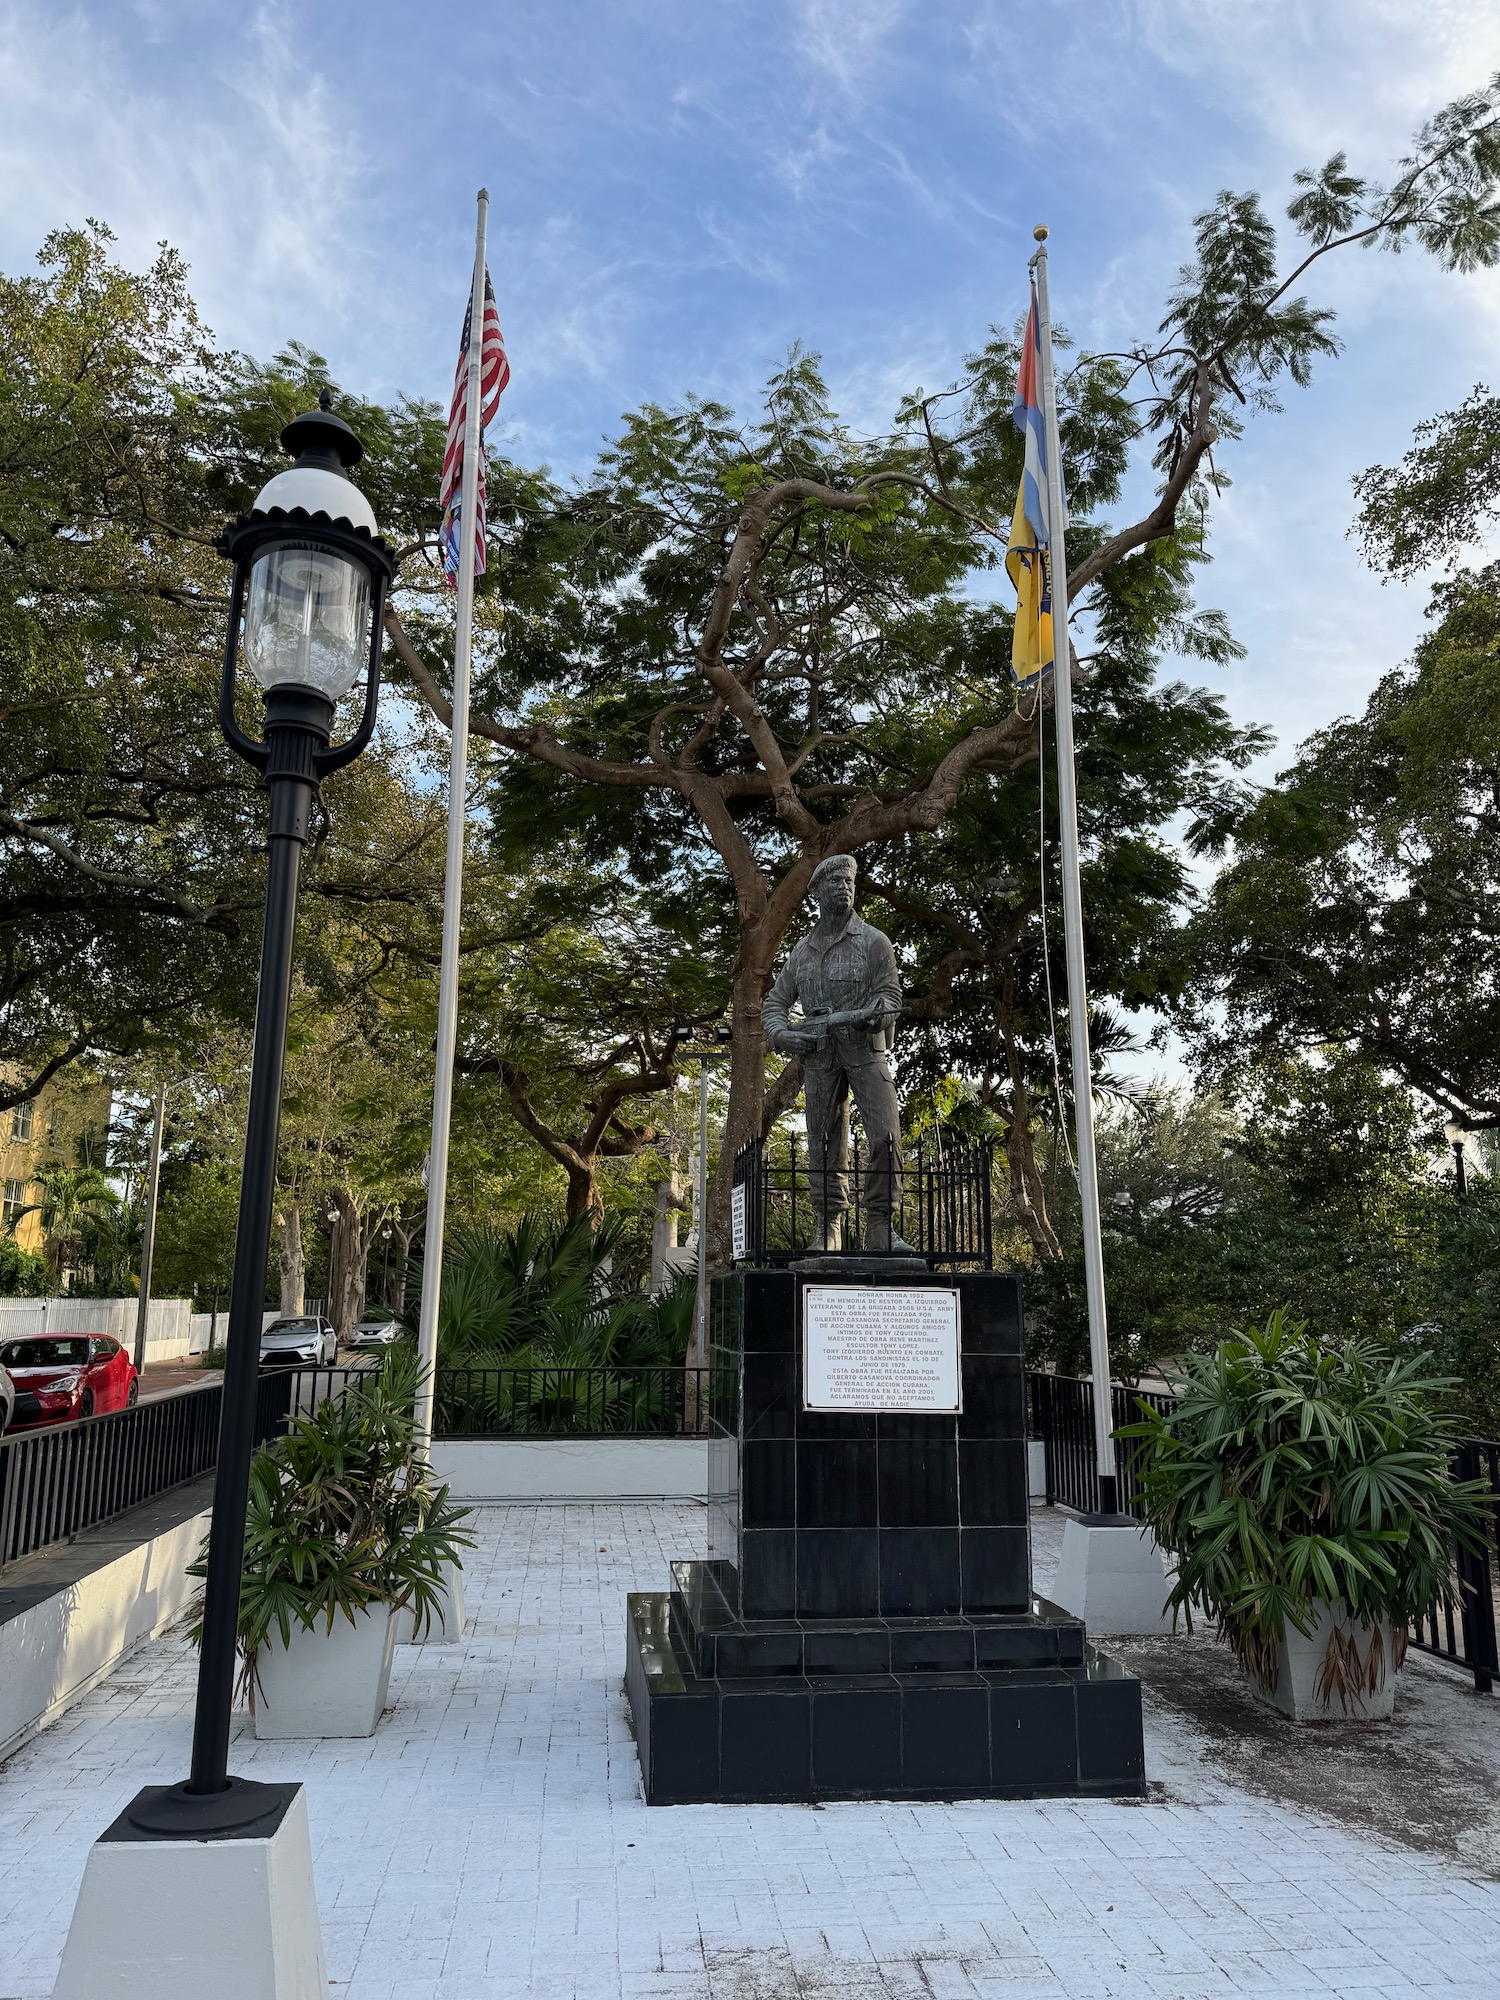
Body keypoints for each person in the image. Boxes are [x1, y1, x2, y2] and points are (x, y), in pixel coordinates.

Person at [761, 854, 913, 1254]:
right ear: (817, 893)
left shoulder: (875, 941)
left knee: (886, 1136)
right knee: (823, 1142)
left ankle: (881, 1225)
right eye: (834, 883)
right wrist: (782, 1036)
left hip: (866, 1050)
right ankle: (827, 1226)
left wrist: (879, 1012)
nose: (844, 888)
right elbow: (775, 1003)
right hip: (819, 1055)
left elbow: (890, 993)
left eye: (849, 882)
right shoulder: (802, 952)